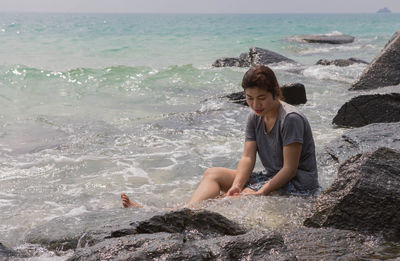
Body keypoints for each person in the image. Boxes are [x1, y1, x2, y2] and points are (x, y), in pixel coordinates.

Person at [121, 65, 320, 208]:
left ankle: (172, 213)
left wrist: (260, 192)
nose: (255, 104)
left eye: (261, 98)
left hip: (298, 184)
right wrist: (237, 185)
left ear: (275, 93)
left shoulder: (291, 118)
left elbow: (290, 169)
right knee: (212, 174)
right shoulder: (254, 116)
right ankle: (186, 211)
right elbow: (248, 157)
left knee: (242, 197)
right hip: (273, 176)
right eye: (249, 98)